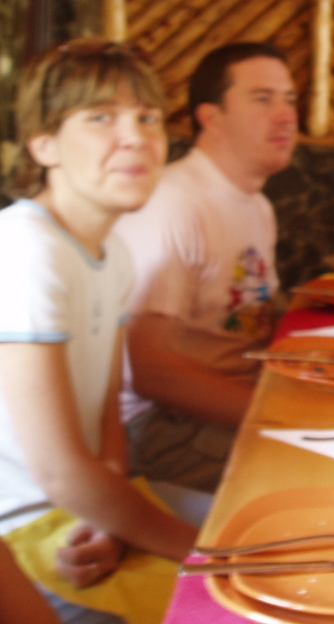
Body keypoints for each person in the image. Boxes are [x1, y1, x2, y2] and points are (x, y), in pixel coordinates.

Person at [0, 39, 196, 623]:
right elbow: (58, 469)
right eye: (101, 117)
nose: (136, 136)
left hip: (83, 511)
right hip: (26, 537)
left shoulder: (110, 255)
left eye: (148, 117)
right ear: (44, 144)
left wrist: (110, 517)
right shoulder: (27, 250)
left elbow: (105, 409)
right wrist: (206, 556)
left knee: (270, 522)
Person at [114, 42, 298, 491]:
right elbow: (147, 369)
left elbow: (254, 321)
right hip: (158, 428)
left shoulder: (257, 205)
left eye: (290, 99)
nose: (286, 115)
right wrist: (285, 414)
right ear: (210, 117)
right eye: (262, 99)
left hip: (232, 402)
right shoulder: (175, 202)